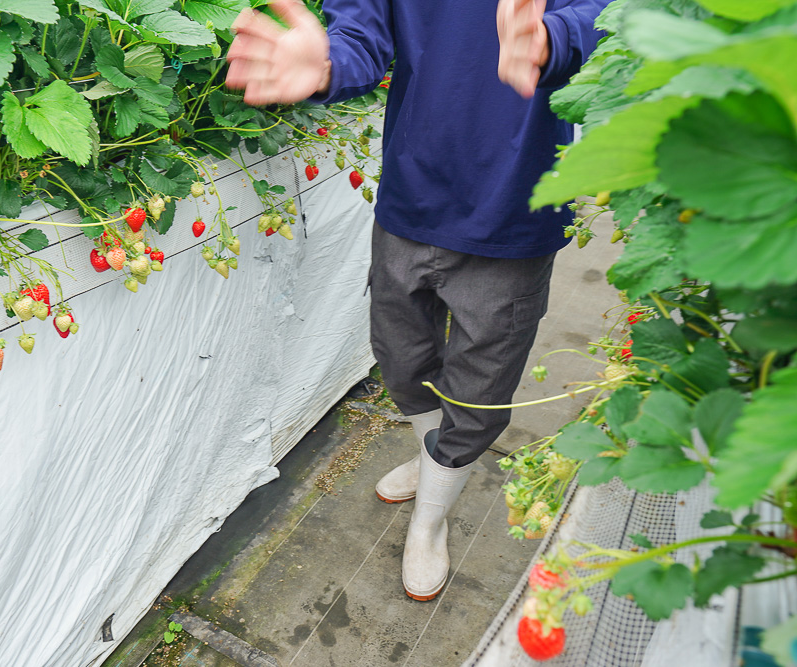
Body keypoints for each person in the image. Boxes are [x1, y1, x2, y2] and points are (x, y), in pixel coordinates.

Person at [226, 0, 608, 601]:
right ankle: (436, 460)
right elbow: (364, 31)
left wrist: (553, 37)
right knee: (400, 355)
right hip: (414, 190)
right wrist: (327, 63)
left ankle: (430, 520)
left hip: (514, 202)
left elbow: (611, 13)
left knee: (480, 385)